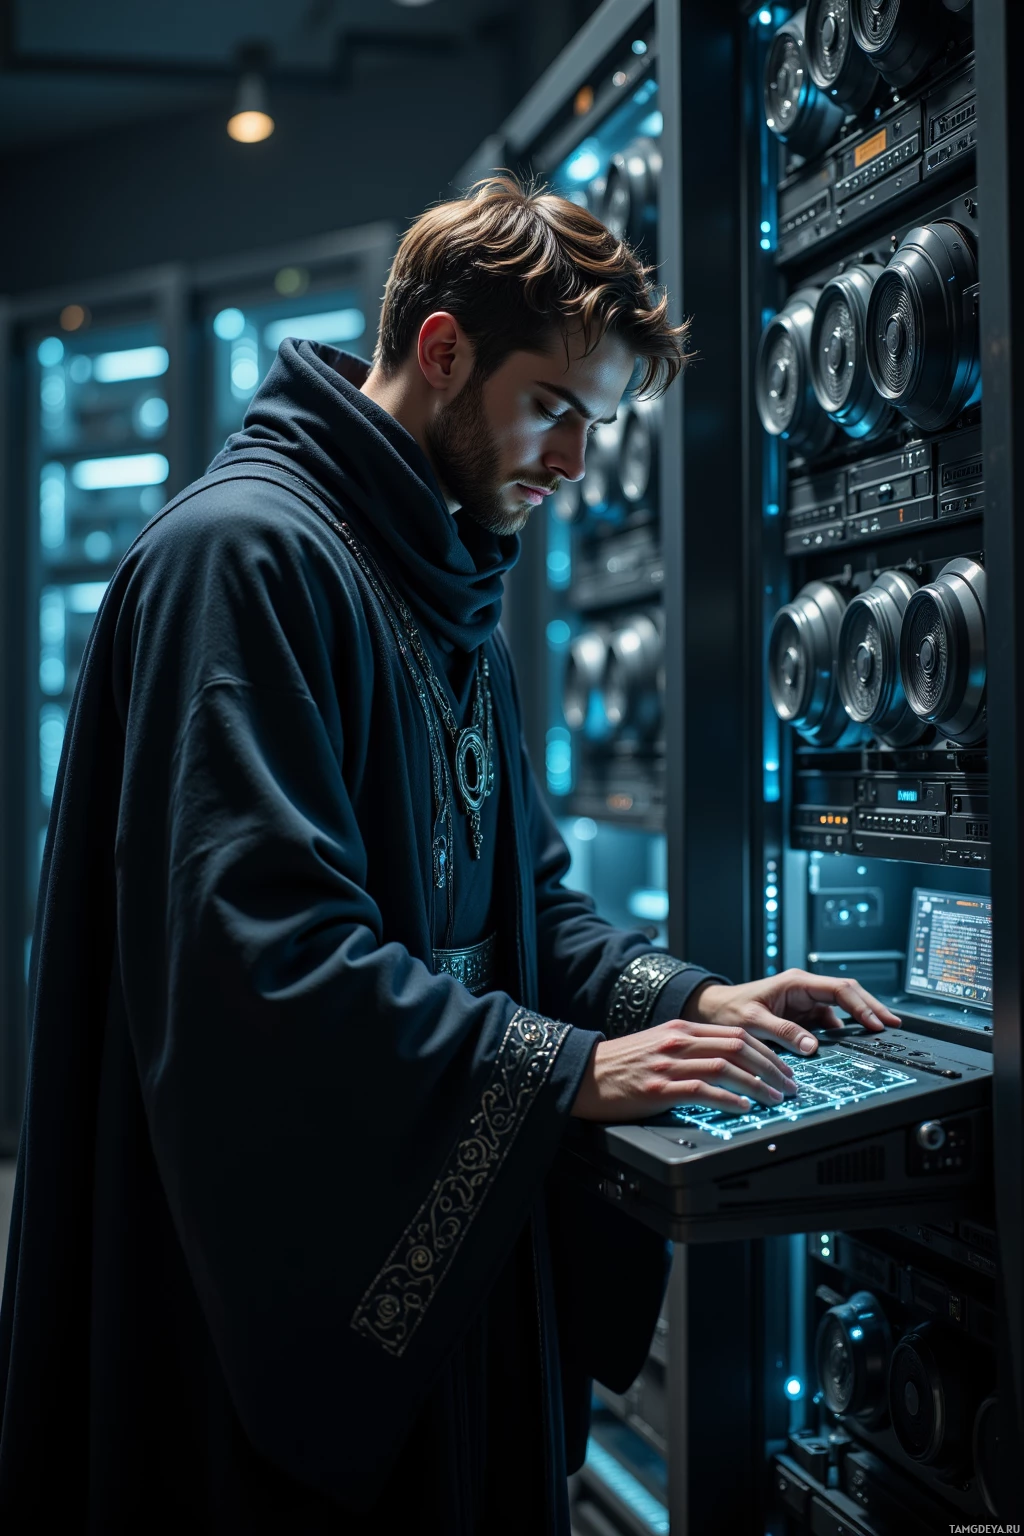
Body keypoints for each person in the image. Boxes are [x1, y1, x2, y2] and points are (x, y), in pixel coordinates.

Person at [0, 176, 899, 1533]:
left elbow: (522, 903)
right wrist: (565, 1069)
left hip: (437, 1288)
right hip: (247, 1330)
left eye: (596, 424)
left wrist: (691, 1000)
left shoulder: (437, 562)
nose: (575, 462)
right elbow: (263, 966)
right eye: (556, 406)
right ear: (441, 351)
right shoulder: (242, 559)